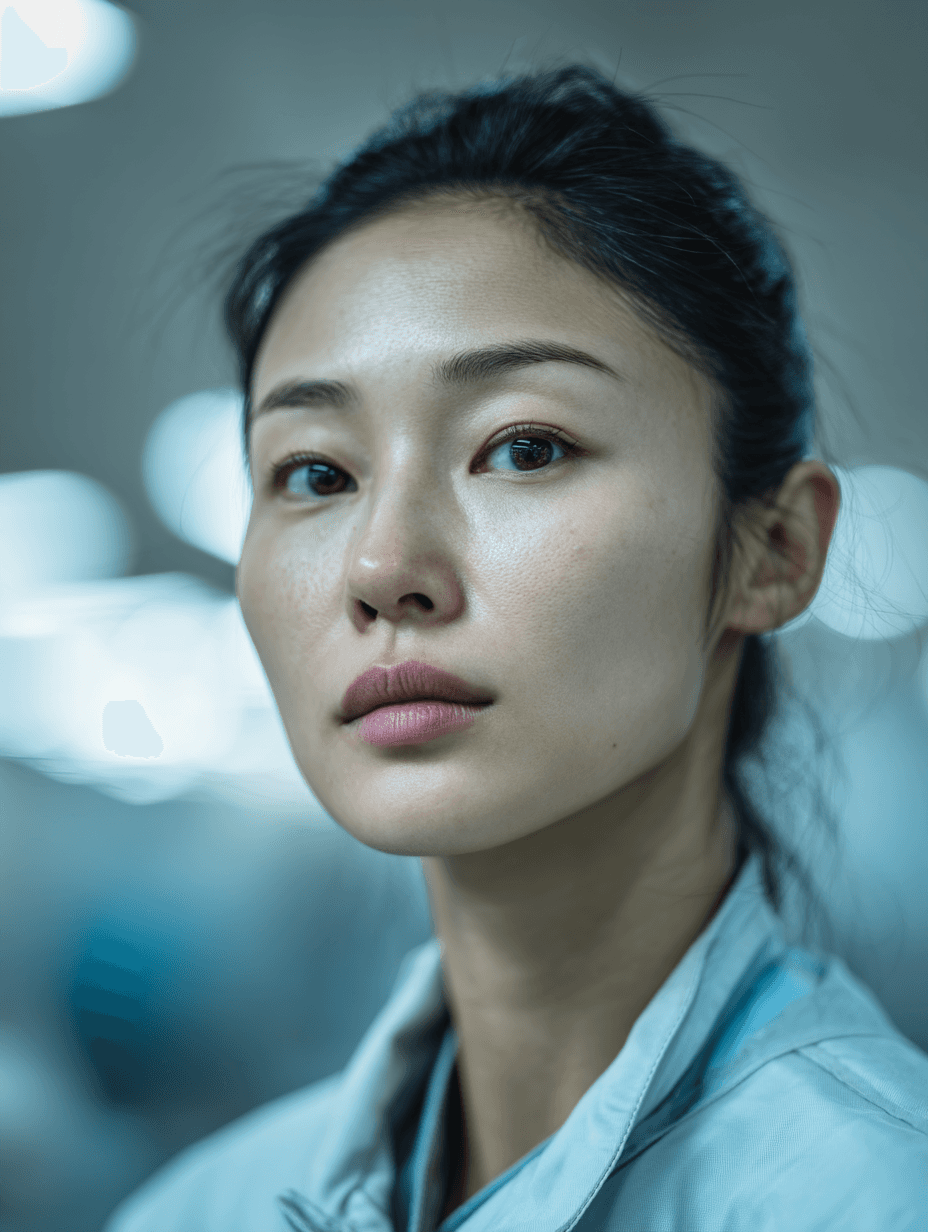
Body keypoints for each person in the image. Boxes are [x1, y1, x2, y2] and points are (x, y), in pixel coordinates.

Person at [104, 64, 928, 1232]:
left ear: (773, 548)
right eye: (316, 473)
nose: (383, 567)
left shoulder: (875, 1195)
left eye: (524, 447)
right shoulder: (195, 1213)